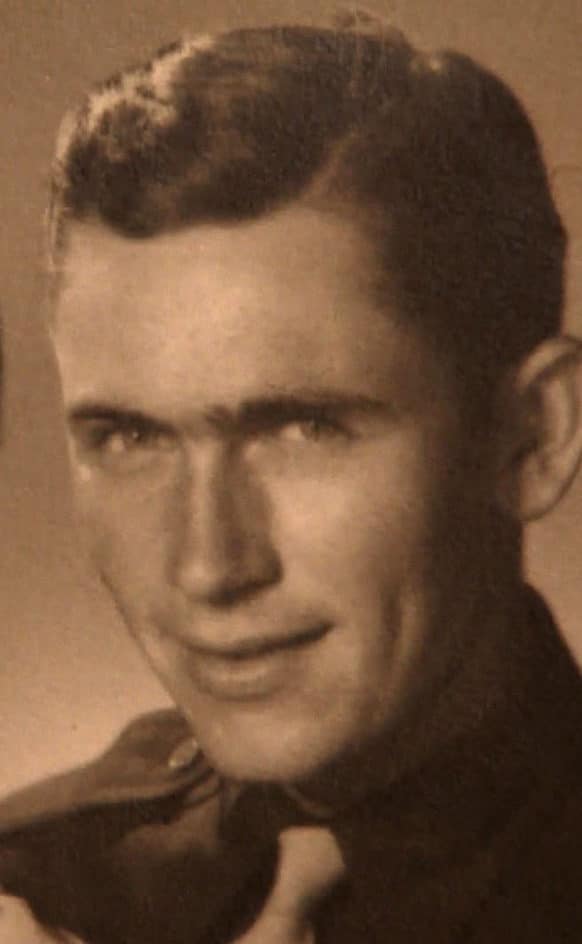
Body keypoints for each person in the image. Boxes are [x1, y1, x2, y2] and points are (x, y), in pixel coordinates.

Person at [1, 15, 582, 943]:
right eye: (129, 436)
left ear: (534, 438)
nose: (208, 566)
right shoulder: (45, 882)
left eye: (305, 428)